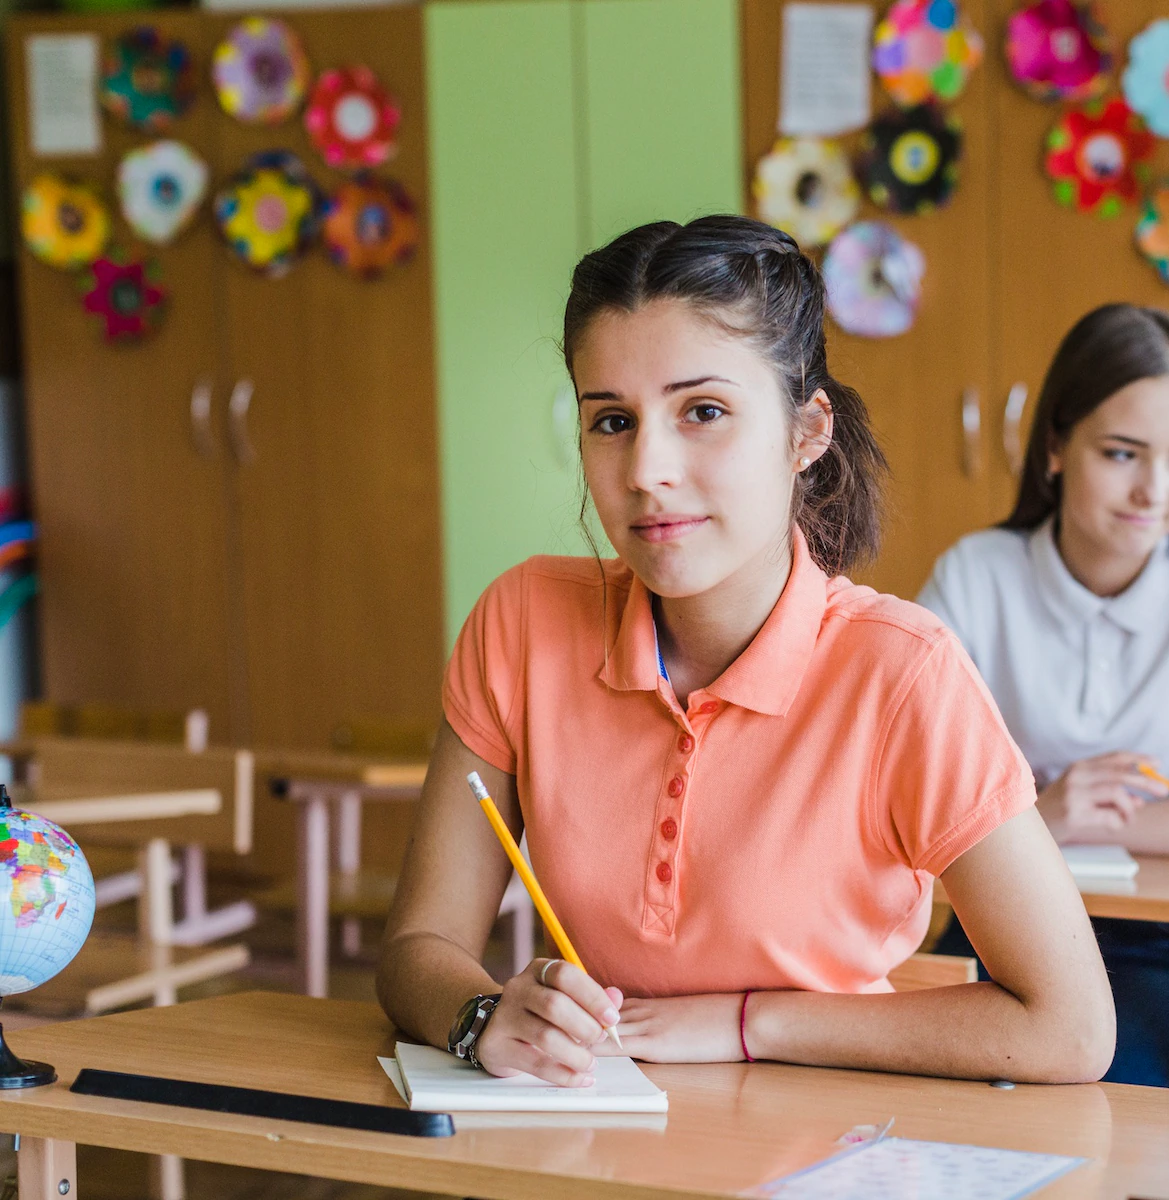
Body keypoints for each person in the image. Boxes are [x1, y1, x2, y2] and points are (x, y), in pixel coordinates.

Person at [376, 216, 1114, 1086]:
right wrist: (481, 1017)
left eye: (705, 412)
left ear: (807, 433)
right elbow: (418, 947)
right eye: (611, 421)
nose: (647, 468)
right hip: (595, 1132)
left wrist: (743, 1023)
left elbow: (1070, 1030)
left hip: (830, 1142)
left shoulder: (903, 674)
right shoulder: (522, 622)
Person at [918, 303, 1169, 1090]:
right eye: (1122, 453)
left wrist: (1029, 822)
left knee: (1075, 1097)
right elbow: (909, 807)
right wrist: (1048, 820)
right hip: (1002, 929)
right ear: (1057, 446)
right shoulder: (976, 575)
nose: (1154, 492)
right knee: (894, 1090)